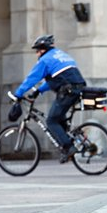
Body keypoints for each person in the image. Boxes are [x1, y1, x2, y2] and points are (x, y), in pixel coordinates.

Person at [14, 35, 86, 163]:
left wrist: (18, 94)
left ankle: (69, 148)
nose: (37, 54)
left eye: (37, 50)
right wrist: (38, 91)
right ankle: (70, 143)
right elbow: (56, 78)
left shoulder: (45, 60)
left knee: (51, 121)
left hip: (67, 91)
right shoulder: (60, 55)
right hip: (77, 88)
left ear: (43, 49)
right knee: (59, 117)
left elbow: (32, 78)